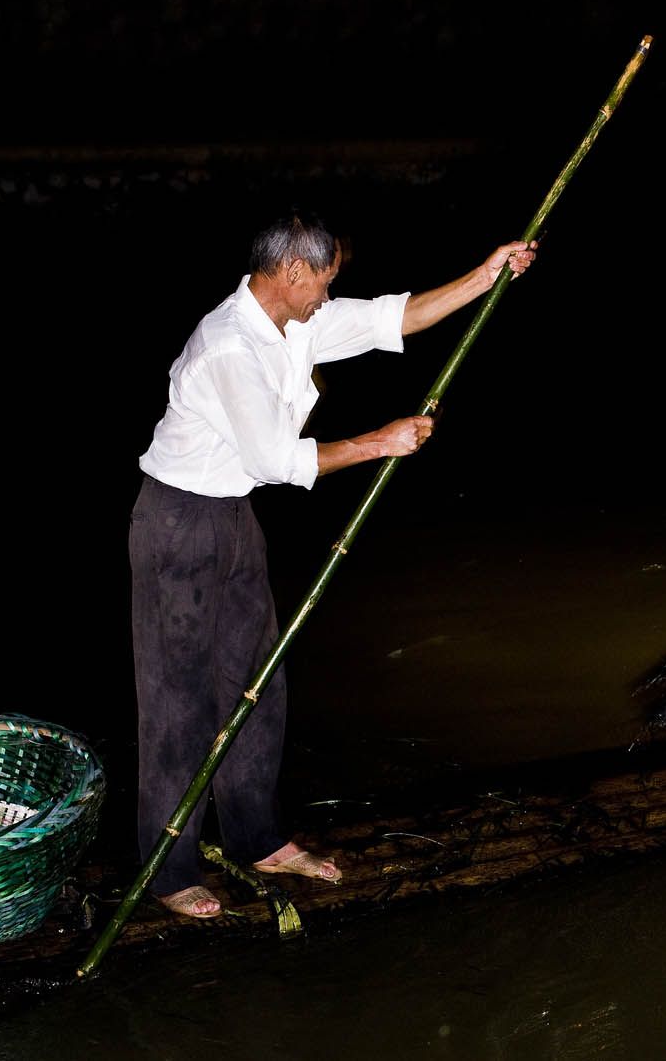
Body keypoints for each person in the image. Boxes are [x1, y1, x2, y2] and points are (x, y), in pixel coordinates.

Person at [129, 209, 537, 918]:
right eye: (323, 280)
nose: (327, 292)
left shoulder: (298, 321)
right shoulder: (229, 343)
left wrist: (486, 273)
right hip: (177, 522)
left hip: (232, 516)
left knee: (259, 680)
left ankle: (258, 837)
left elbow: (393, 319)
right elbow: (277, 461)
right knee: (178, 702)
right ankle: (169, 869)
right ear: (292, 272)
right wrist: (380, 440)